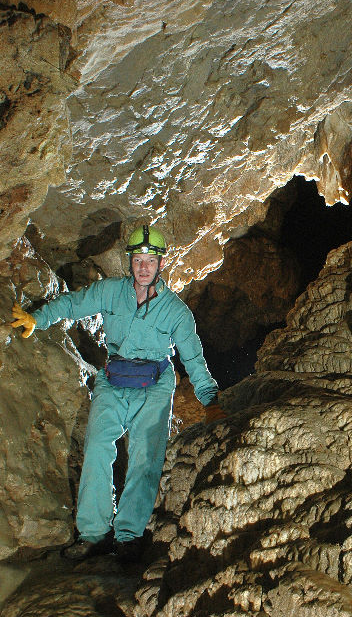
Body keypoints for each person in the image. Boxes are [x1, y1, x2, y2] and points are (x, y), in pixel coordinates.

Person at [9, 224, 222, 563]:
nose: (143, 267)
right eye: (138, 259)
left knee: (145, 458)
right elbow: (74, 304)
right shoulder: (110, 291)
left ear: (161, 264)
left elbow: (194, 358)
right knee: (96, 447)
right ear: (130, 262)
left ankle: (129, 536)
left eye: (150, 261)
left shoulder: (176, 312)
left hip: (154, 383)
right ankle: (94, 534)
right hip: (115, 375)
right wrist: (39, 317)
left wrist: (210, 400)